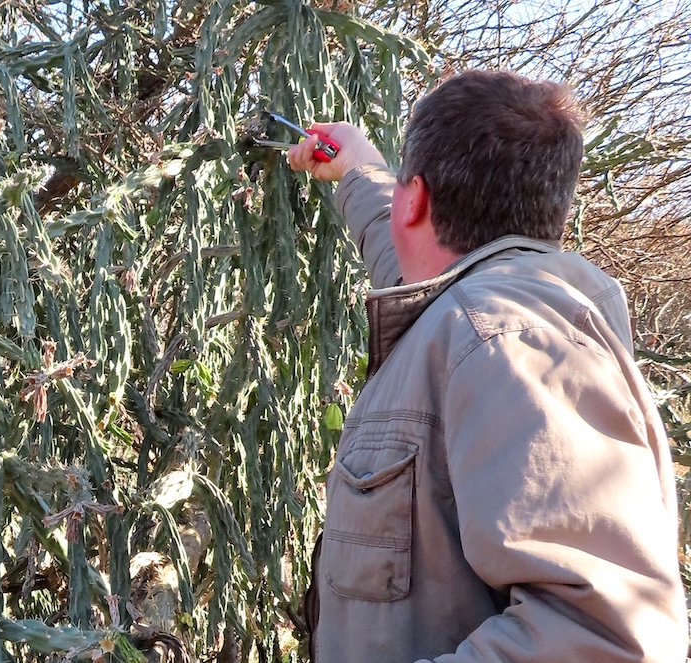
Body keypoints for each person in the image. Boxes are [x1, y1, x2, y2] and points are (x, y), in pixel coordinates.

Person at [287, 69, 688, 663]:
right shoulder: (477, 312)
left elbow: (605, 638)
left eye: (401, 185)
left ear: (417, 199)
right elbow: (406, 258)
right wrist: (359, 170)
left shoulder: (509, 341)